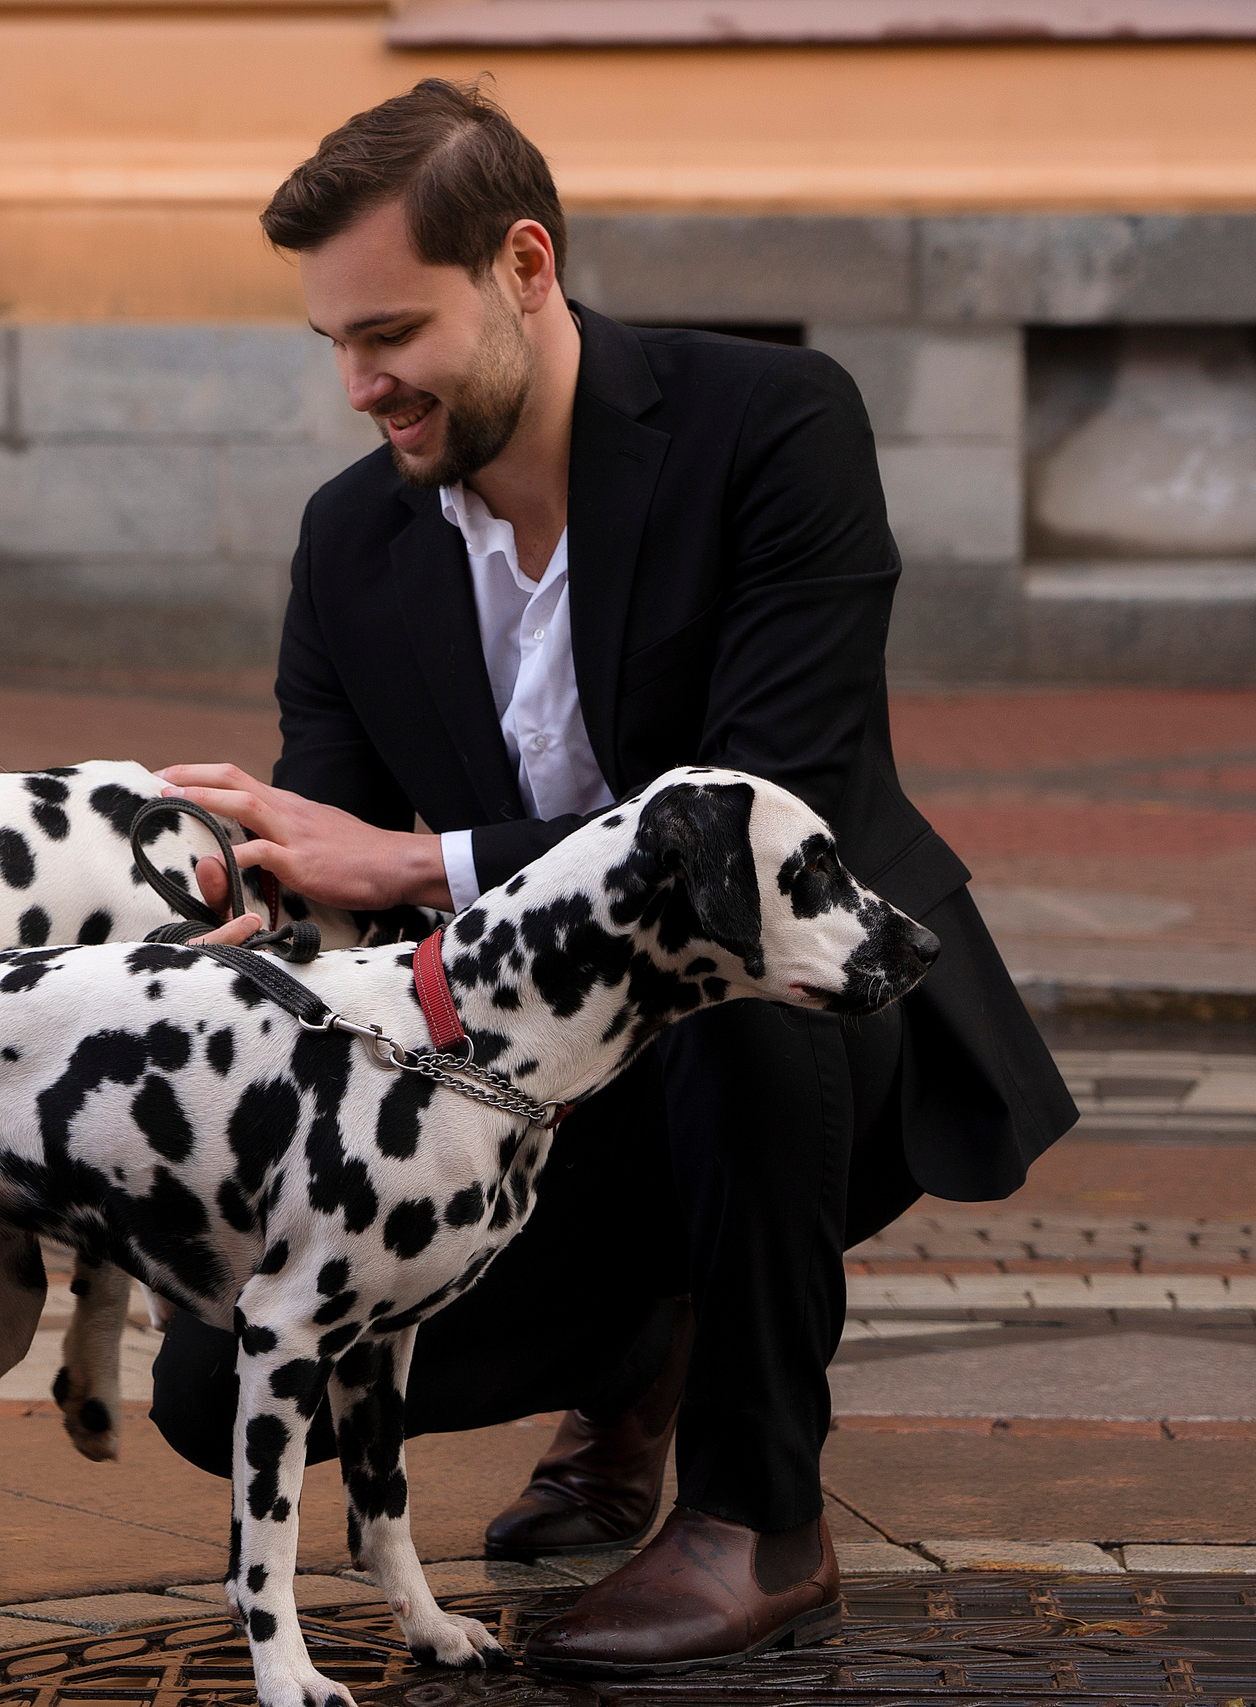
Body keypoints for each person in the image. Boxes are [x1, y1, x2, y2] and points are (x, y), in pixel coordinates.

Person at [152, 78, 1076, 1677]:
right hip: (549, 1079)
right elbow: (340, 869)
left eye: (393, 333)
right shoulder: (353, 542)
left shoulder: (772, 424)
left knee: (725, 982)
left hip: (820, 1018)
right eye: (336, 347)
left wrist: (420, 857)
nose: (363, 388)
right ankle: (642, 1345)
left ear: (525, 266)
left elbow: (765, 815)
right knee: (213, 1378)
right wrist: (230, 897)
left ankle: (757, 1516)